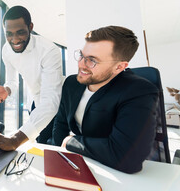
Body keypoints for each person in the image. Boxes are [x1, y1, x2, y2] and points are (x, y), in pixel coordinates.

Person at [52, 26, 158, 174]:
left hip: (112, 172)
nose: (81, 64)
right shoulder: (72, 83)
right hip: (76, 163)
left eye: (92, 60)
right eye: (82, 55)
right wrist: (60, 155)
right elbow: (61, 123)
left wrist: (72, 142)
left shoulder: (139, 91)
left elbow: (128, 159)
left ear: (119, 67)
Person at [0, 5, 63, 151]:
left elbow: (50, 101)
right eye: (9, 34)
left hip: (58, 103)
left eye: (20, 32)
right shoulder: (6, 50)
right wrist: (7, 89)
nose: (14, 40)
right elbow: (12, 81)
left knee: (54, 148)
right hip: (34, 101)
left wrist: (15, 140)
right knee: (39, 144)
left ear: (30, 27)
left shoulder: (49, 50)